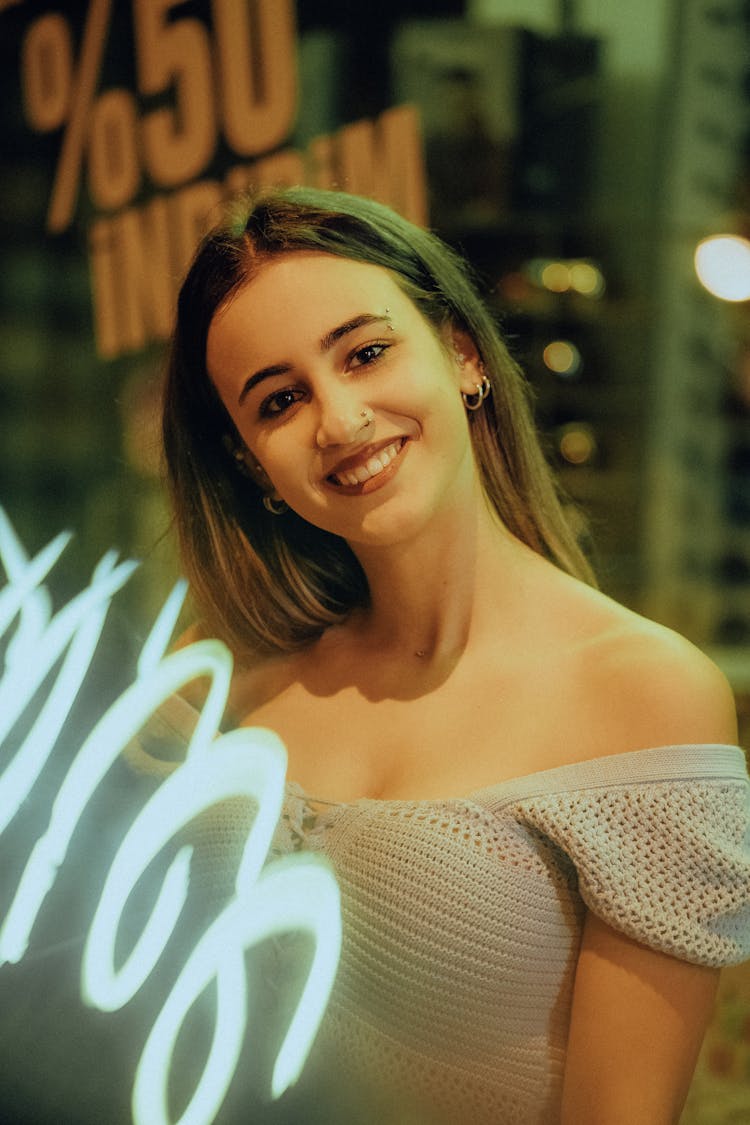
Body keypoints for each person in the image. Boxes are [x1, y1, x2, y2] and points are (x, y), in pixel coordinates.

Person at [161, 186, 750, 1125]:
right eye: (280, 399)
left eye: (365, 352)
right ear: (248, 463)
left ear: (462, 353)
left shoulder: (646, 692)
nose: (341, 419)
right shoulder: (225, 678)